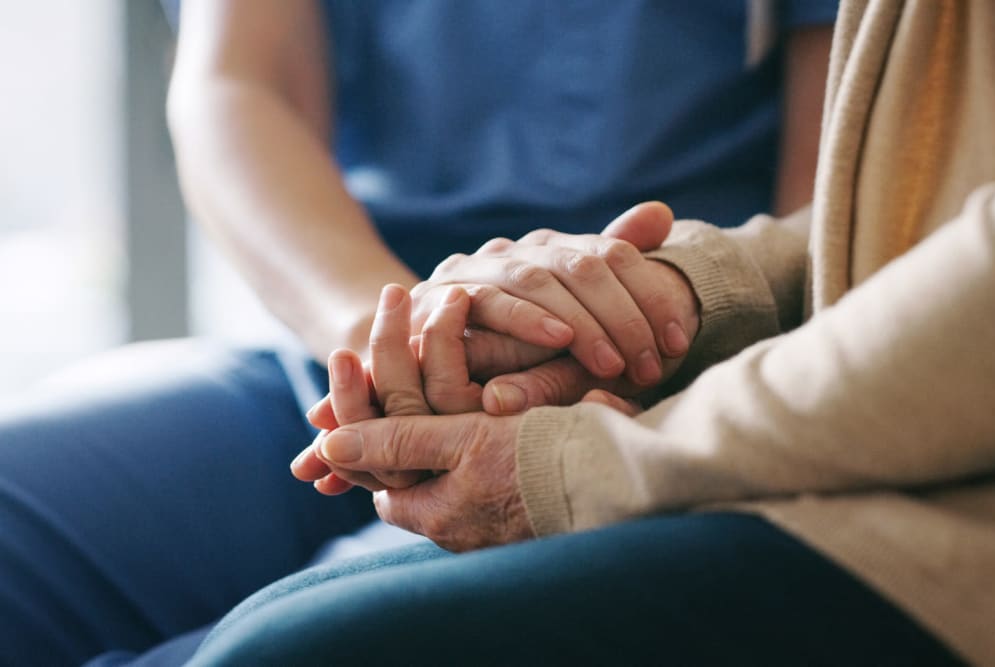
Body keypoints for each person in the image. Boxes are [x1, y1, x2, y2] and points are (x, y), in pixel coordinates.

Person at [0, 2, 838, 665]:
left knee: (271, 646)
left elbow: (839, 203)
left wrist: (617, 341)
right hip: (336, 348)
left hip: (643, 386)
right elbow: (237, 86)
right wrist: (383, 334)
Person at [187, 0, 995, 664]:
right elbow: (894, 216)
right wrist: (683, 287)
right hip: (401, 342)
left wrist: (585, 459)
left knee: (272, 649)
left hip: (894, 481)